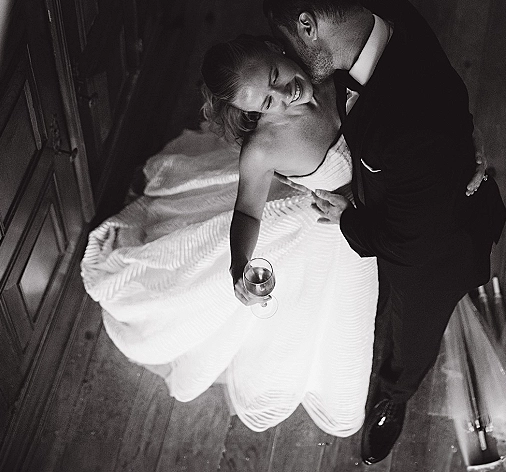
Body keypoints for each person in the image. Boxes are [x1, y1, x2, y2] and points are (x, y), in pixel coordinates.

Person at [262, 0, 506, 465]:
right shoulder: (383, 9)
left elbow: (408, 239)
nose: (290, 55)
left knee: (411, 335)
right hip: (415, 194)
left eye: (289, 39)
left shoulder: (408, 126)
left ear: (309, 23)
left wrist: (348, 218)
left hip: (433, 255)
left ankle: (393, 398)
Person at [81, 34, 379, 437]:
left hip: (375, 192)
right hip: (332, 225)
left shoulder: (327, 73)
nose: (284, 93)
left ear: (280, 50)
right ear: (255, 113)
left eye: (276, 74)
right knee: (329, 312)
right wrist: (239, 264)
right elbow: (246, 211)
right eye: (268, 102)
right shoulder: (263, 149)